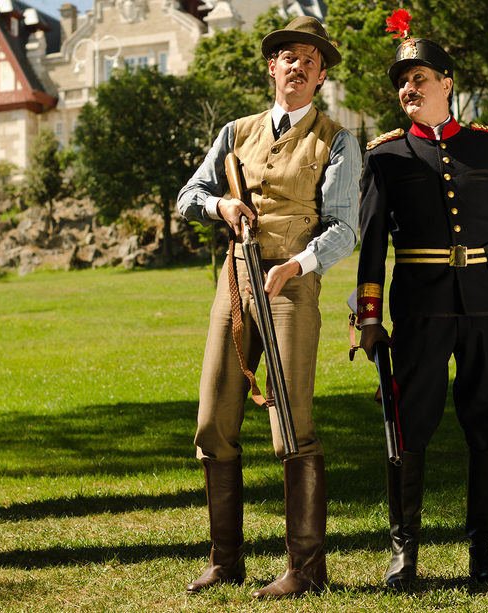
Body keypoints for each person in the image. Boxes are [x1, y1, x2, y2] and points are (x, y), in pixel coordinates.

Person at [355, 35, 488, 588]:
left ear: (447, 82)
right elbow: (373, 244)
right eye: (402, 81)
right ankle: (404, 555)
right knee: (407, 424)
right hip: (421, 307)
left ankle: (485, 554)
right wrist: (370, 317)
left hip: (486, 305)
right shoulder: (385, 155)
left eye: (419, 78)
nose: (408, 87)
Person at [176, 16, 359, 598]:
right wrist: (223, 207)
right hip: (234, 286)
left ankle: (306, 569)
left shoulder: (338, 139)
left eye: (309, 59)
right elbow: (188, 196)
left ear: (321, 75)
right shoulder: (235, 133)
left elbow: (345, 228)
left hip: (291, 288)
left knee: (291, 429)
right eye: (288, 58)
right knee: (212, 424)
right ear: (271, 68)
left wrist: (296, 266)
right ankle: (225, 561)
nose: (297, 67)